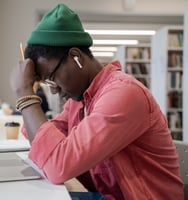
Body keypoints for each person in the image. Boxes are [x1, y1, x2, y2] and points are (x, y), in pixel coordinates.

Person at [10, 3, 184, 200]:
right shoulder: (80, 99)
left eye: (52, 77)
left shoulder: (123, 94)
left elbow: (57, 165)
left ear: (76, 57)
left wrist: (24, 92)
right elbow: (44, 144)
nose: (54, 89)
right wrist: (29, 90)